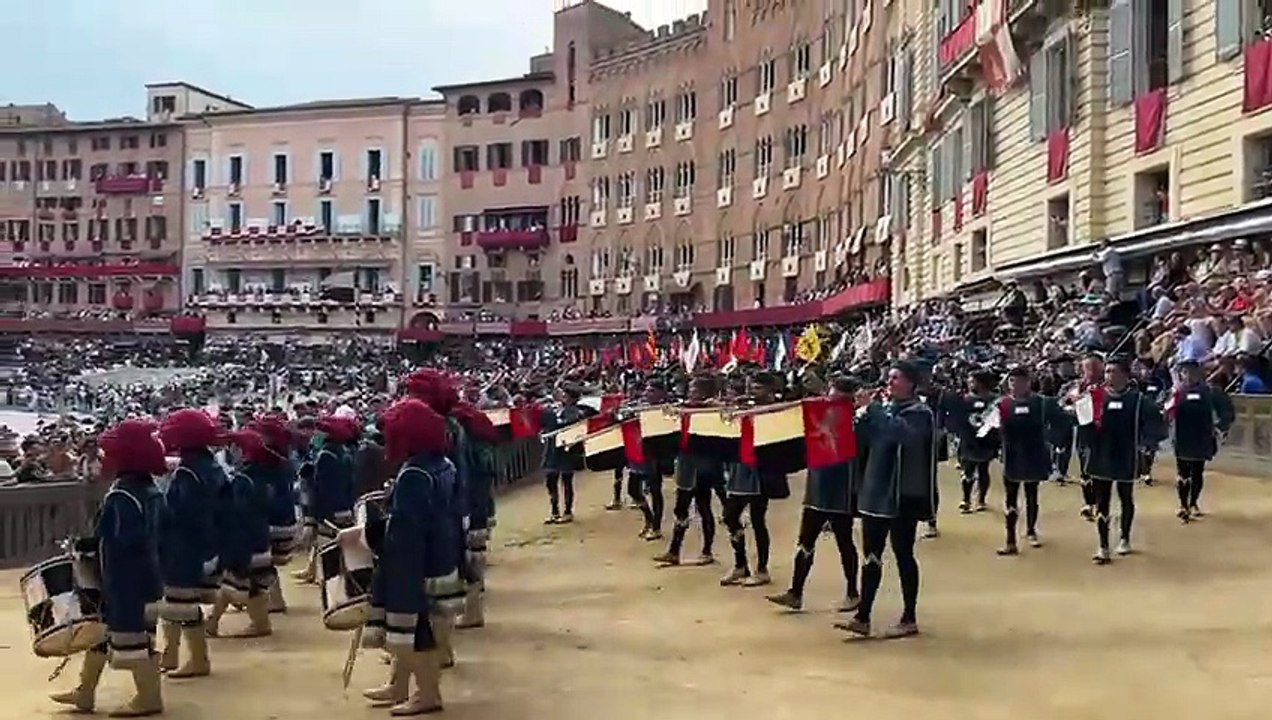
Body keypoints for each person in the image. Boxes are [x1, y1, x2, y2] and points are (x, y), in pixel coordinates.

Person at [50, 419, 166, 717]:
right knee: (104, 635)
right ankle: (84, 692)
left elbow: (120, 543)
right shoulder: (149, 488)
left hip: (124, 582)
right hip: (148, 577)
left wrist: (83, 548)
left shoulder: (121, 496)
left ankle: (149, 697)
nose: (102, 457)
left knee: (132, 640)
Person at [357, 398, 458, 715]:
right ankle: (399, 685)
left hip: (416, 562)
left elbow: (407, 531)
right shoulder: (443, 464)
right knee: (416, 628)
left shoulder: (414, 473)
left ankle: (428, 693)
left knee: (415, 631)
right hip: (441, 553)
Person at [835, 360, 935, 640]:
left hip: (903, 494)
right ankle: (863, 616)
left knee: (903, 554)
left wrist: (875, 409)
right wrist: (861, 416)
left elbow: (902, 435)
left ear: (911, 383)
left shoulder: (920, 412)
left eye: (895, 378)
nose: (889, 382)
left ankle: (909, 616)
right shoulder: (883, 409)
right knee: (871, 555)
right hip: (876, 493)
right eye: (889, 377)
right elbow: (862, 440)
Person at [766, 376, 866, 612]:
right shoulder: (819, 415)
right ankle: (796, 592)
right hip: (818, 487)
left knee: (844, 541)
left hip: (841, 488)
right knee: (806, 540)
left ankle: (853, 593)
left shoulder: (857, 420)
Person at [156, 408, 225, 678]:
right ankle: (171, 654)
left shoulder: (189, 472)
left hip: (184, 547)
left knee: (180, 604)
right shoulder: (210, 465)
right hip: (207, 543)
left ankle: (198, 660)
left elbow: (180, 513)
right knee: (173, 603)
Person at [1082, 357, 1167, 563]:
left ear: (1125, 375)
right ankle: (1103, 546)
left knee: (1125, 498)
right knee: (1102, 502)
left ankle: (1124, 538)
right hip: (1101, 454)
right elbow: (1082, 422)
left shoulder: (1138, 400)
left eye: (1114, 371)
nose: (1109, 375)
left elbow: (1157, 424)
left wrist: (1146, 444)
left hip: (1126, 455)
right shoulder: (1096, 396)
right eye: (1108, 371)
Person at [719, 372, 788, 588]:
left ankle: (762, 570)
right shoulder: (745, 407)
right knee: (730, 516)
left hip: (761, 473)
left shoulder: (777, 411)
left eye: (757, 388)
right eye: (751, 387)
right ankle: (741, 564)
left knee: (758, 521)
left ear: (769, 391)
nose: (752, 392)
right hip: (741, 468)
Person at [204, 429, 274, 638]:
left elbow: (237, 513)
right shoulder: (262, 473)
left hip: (244, 540)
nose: (230, 450)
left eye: (234, 446)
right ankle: (217, 621)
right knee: (248, 584)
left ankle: (255, 623)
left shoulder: (244, 479)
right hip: (259, 536)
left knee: (237, 581)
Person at [995, 366, 1066, 556]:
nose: (1015, 385)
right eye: (1012, 381)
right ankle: (1010, 540)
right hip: (1012, 456)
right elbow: (989, 428)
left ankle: (1031, 530)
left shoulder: (1042, 403)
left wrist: (1054, 440)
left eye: (1019, 381)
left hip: (1034, 453)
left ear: (1027, 383)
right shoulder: (1002, 404)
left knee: (1031, 494)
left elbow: (1062, 420)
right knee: (1010, 497)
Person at [653, 375, 723, 567]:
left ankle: (707, 550)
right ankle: (674, 551)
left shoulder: (713, 411)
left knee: (703, 506)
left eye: (695, 391)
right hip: (686, 462)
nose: (691, 394)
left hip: (704, 465)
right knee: (680, 508)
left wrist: (710, 406)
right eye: (690, 390)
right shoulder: (685, 409)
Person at [1166, 358, 1235, 522]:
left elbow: (1227, 411)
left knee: (1197, 471)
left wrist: (1219, 427)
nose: (1189, 375)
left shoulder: (1210, 391)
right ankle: (1183, 504)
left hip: (1202, 436)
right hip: (1182, 436)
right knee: (1182, 472)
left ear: (1200, 373)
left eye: (1192, 372)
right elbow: (1163, 411)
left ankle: (1193, 502)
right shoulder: (1176, 392)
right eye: (1185, 372)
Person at [293, 413, 358, 583]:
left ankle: (327, 579)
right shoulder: (346, 453)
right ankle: (312, 570)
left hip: (329, 508)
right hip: (344, 506)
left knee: (326, 545)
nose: (317, 433)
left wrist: (313, 515)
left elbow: (320, 488)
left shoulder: (325, 456)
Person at [540, 387, 595, 524]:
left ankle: (567, 512)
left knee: (566, 482)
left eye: (565, 395)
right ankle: (554, 511)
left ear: (572, 398)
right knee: (551, 481)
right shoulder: (555, 409)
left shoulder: (575, 411)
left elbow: (565, 424)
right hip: (552, 449)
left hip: (565, 450)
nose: (563, 397)